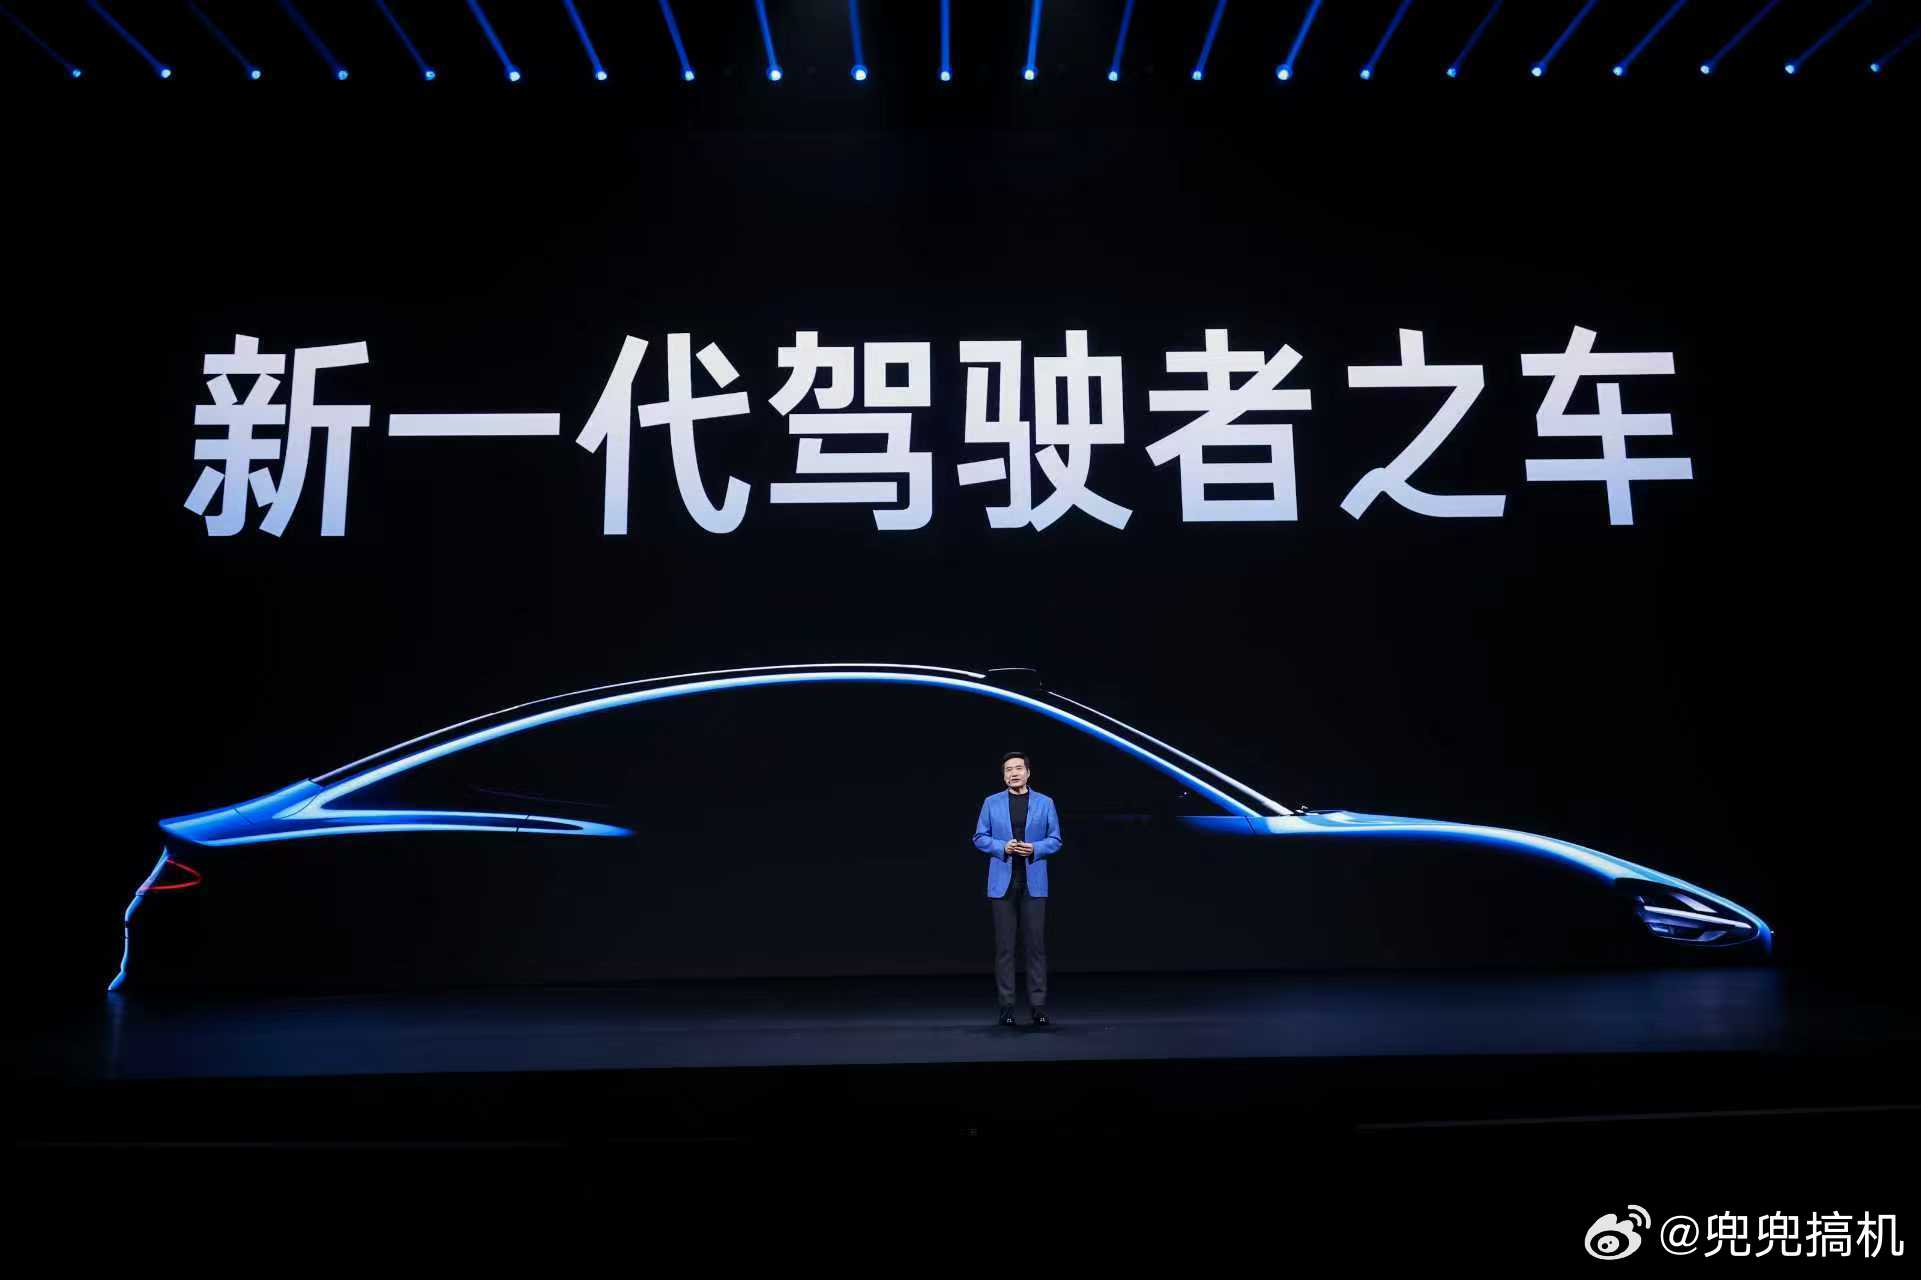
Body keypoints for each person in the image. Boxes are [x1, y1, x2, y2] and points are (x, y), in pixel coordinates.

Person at [971, 750, 1063, 1027]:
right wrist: (1003, 847)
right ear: (1003, 776)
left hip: (1034, 882)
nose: (1013, 773)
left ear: (1028, 772)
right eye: (1008, 770)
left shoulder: (1045, 803)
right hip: (1003, 883)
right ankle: (1007, 1007)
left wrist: (1035, 848)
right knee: (1005, 949)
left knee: (1036, 947)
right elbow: (979, 837)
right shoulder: (991, 803)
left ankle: (1038, 1007)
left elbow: (1055, 839)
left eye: (1018, 768)